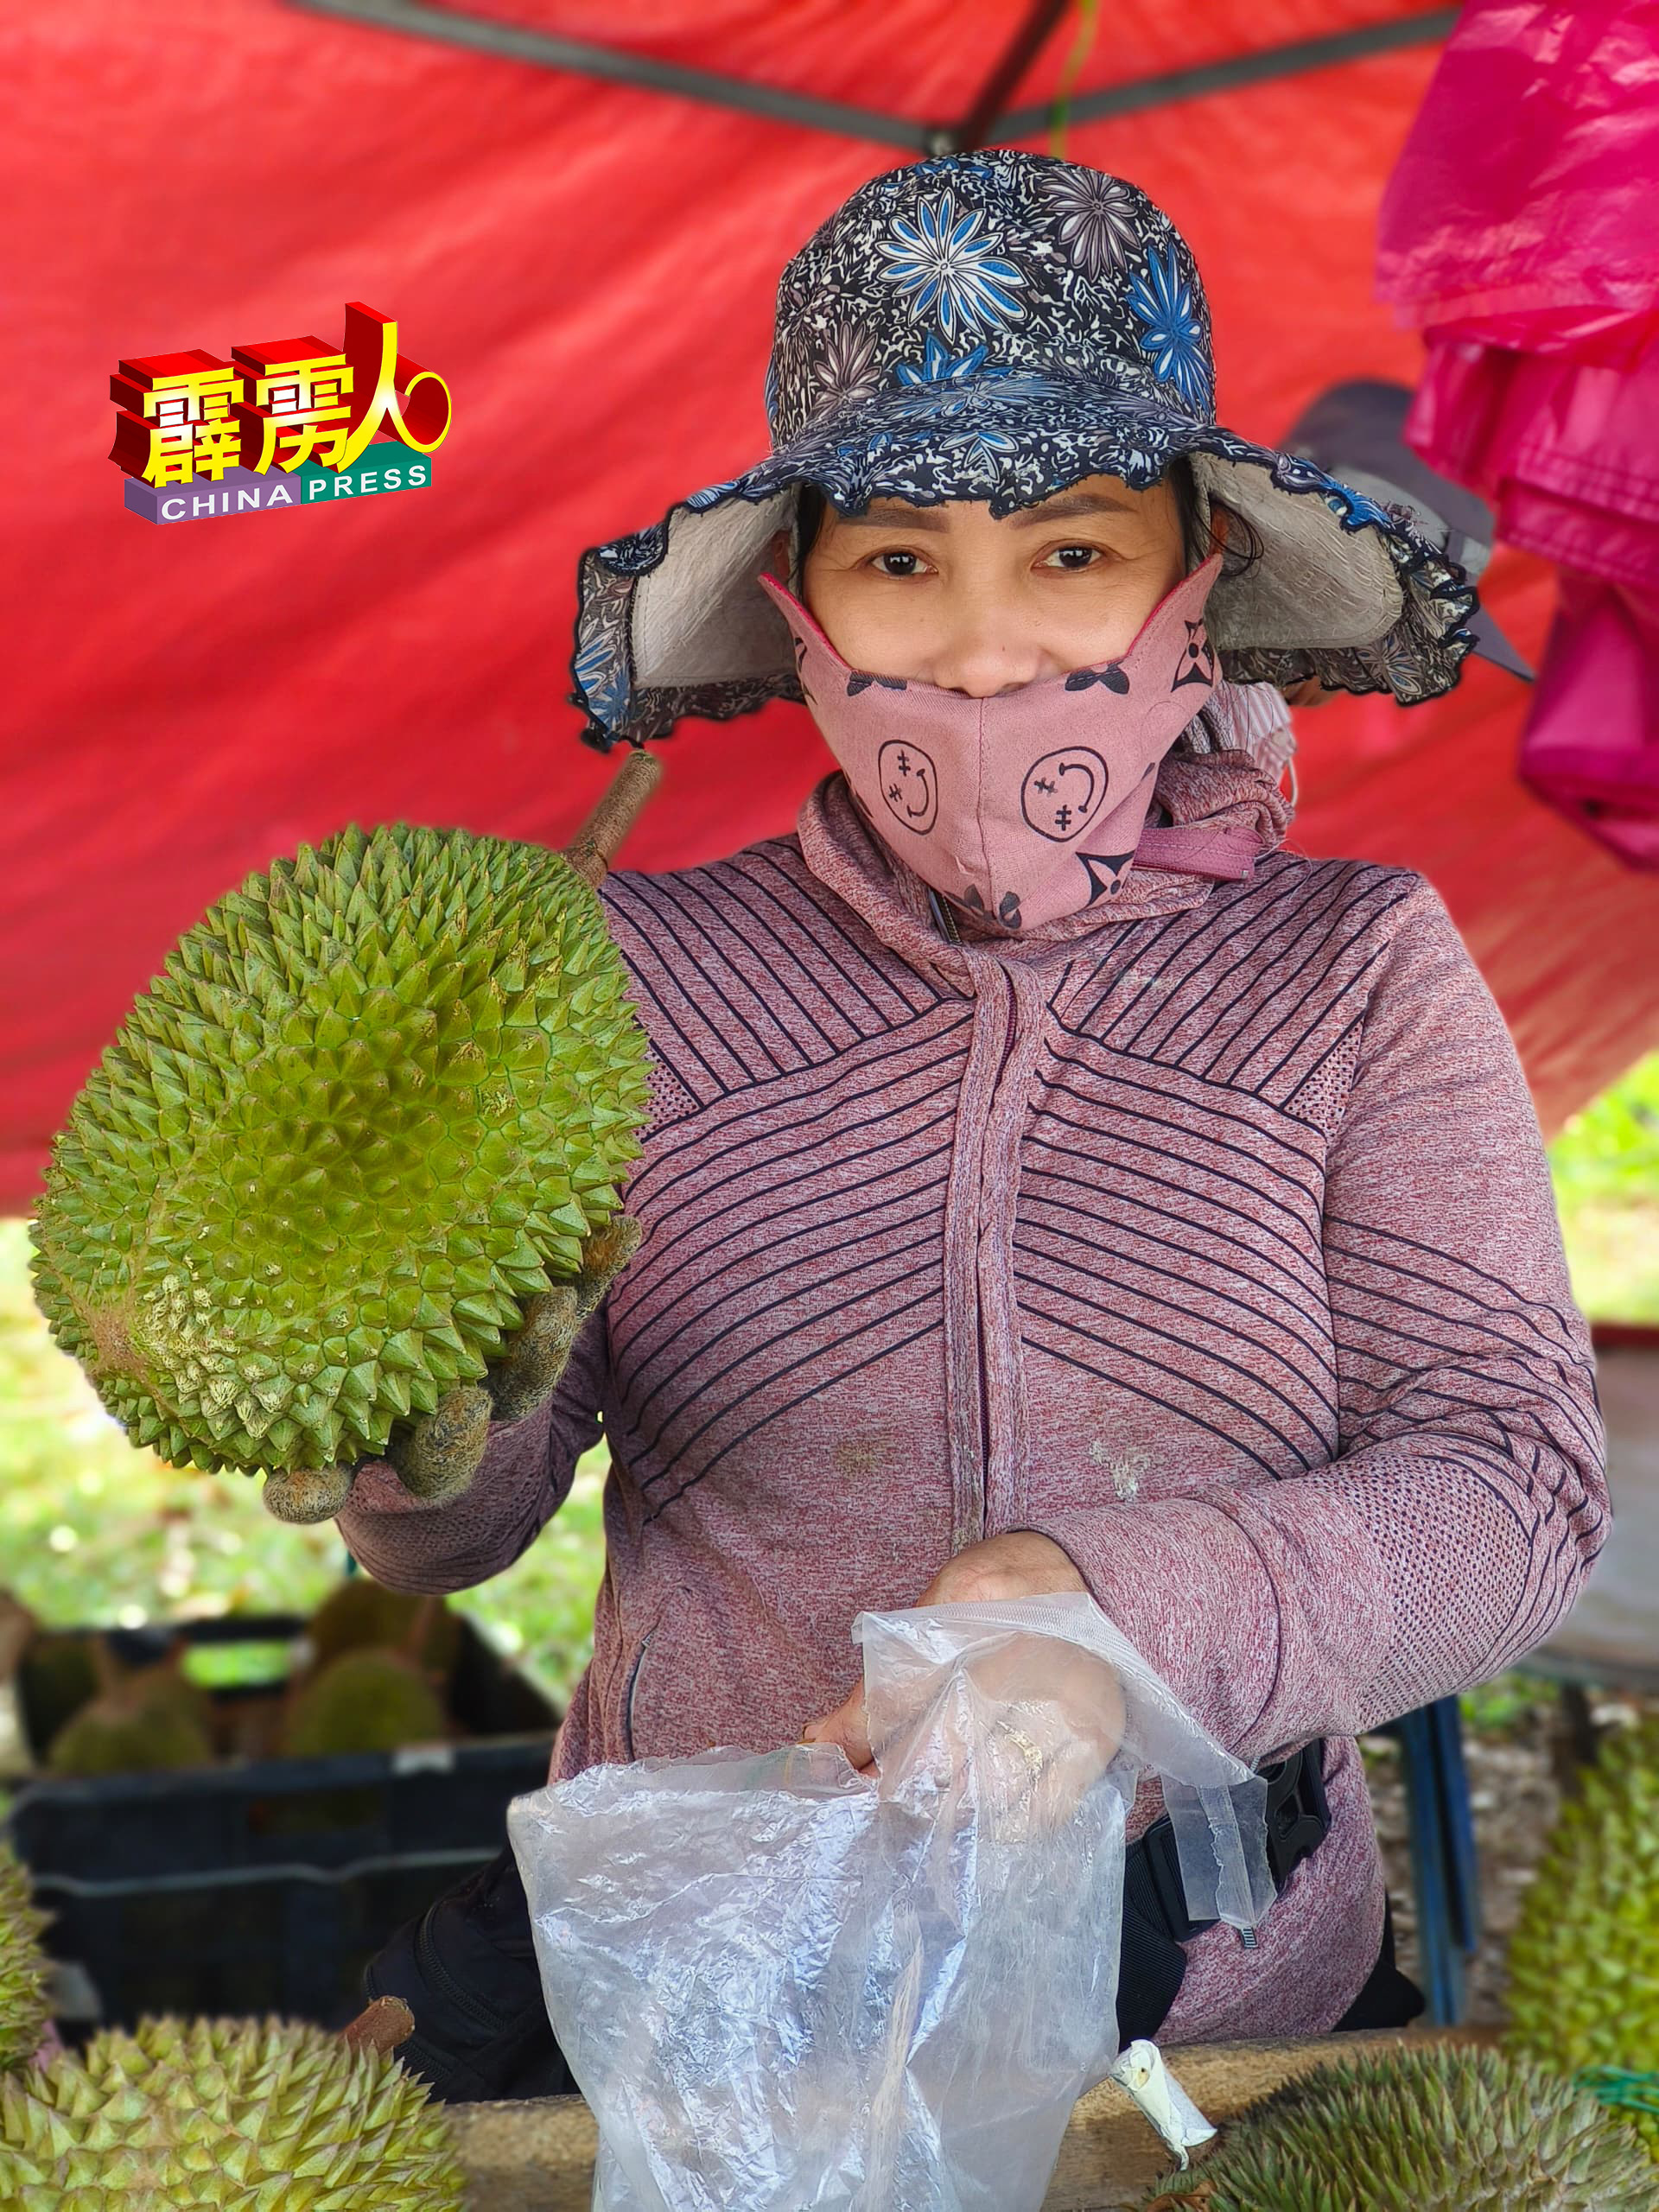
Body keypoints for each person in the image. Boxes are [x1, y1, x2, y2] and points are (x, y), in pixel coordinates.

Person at [339, 152, 1606, 2099]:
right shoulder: (632, 983)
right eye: (903, 563)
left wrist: (1109, 1617)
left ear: (1199, 575)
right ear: (801, 605)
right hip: (714, 2009)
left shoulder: (1353, 968)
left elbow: (1512, 1483)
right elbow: (455, 1537)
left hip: (1197, 2039)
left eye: (1073, 553)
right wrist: (400, 1372)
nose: (989, 650)